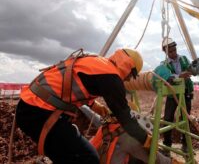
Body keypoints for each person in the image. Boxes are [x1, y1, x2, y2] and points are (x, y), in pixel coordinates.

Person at [15, 48, 151, 164]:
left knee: (68, 157)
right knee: (87, 159)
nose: (128, 80)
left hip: (31, 106)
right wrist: (145, 138)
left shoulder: (98, 63)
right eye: (131, 75)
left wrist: (94, 105)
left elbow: (77, 85)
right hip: (39, 112)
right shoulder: (112, 78)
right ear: (128, 67)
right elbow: (125, 117)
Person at [80, 103, 181, 164]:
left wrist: (85, 106)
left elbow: (90, 112)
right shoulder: (129, 139)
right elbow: (157, 159)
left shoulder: (106, 125)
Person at [159, 38, 194, 155]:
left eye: (174, 50)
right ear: (166, 52)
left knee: (186, 118)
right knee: (168, 119)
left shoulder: (183, 58)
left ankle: (185, 145)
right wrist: (180, 75)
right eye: (170, 52)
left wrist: (193, 69)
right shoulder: (164, 64)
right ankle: (167, 146)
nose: (173, 53)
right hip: (172, 94)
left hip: (186, 92)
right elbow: (167, 77)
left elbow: (191, 71)